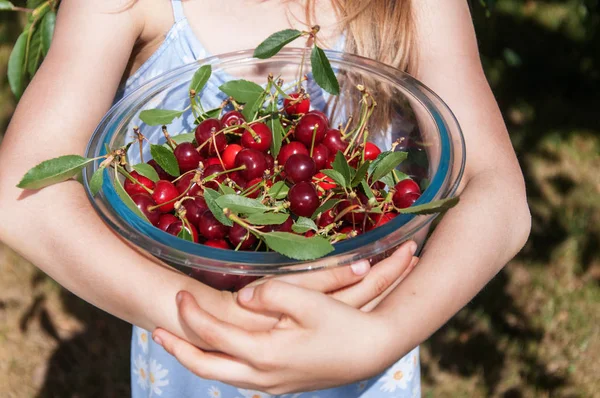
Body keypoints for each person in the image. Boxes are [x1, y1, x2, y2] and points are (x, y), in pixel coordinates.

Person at [0, 0, 531, 397]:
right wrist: (217, 319)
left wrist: (385, 334)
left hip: (359, 354)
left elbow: (497, 193)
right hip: (201, 362)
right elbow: (22, 196)